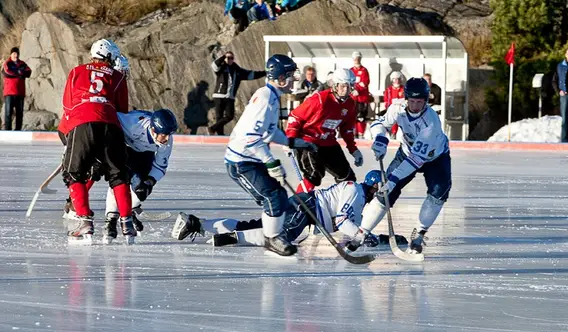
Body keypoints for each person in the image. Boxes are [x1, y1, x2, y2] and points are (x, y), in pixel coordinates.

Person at [214, 54, 316, 256]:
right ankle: (272, 239)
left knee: (280, 199)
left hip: (250, 158)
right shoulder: (266, 98)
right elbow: (252, 138)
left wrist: (292, 142)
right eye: (290, 75)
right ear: (280, 78)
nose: (294, 79)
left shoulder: (271, 96)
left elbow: (269, 131)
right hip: (241, 162)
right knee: (274, 198)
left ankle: (270, 234)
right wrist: (271, 163)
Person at [171, 171, 408, 249]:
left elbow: (341, 224)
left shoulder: (356, 194)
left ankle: (198, 223)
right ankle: (225, 240)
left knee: (256, 225)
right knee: (279, 239)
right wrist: (360, 236)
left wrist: (375, 238)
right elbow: (343, 220)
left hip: (304, 206)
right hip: (306, 208)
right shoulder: (356, 192)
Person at [347, 77, 451, 255]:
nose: (416, 106)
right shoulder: (398, 109)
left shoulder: (431, 122)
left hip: (435, 158)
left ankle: (419, 234)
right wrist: (380, 138)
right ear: (406, 99)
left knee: (439, 192)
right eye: (412, 101)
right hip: (406, 151)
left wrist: (394, 179)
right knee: (386, 192)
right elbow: (379, 123)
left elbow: (415, 160)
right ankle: (362, 232)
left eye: (420, 102)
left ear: (426, 101)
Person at [58, 39, 134, 244]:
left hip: (82, 121)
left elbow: (67, 105)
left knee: (74, 173)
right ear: (108, 56)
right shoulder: (117, 76)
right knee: (118, 175)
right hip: (110, 124)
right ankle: (127, 222)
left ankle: (84, 222)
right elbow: (122, 112)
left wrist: (69, 137)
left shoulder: (76, 71)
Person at [102, 109, 178, 243]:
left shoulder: (166, 141)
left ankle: (129, 209)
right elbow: (109, 116)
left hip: (144, 155)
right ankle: (111, 219)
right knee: (119, 181)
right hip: (123, 147)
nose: (167, 138)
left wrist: (149, 181)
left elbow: (160, 166)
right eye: (164, 134)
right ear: (153, 130)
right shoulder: (133, 124)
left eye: (169, 134)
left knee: (140, 191)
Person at [286, 68, 362, 193]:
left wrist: (353, 149)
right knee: (314, 175)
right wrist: (291, 140)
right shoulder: (320, 99)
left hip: (328, 143)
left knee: (347, 177)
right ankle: (299, 204)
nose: (346, 90)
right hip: (308, 141)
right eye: (343, 86)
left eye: (349, 86)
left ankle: (344, 205)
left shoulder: (350, 104)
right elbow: (295, 117)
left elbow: (347, 129)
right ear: (335, 85)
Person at [208, 51, 267, 135]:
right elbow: (214, 65)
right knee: (219, 117)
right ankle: (220, 134)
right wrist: (224, 56)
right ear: (224, 58)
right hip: (219, 96)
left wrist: (264, 73)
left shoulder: (237, 70)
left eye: (232, 58)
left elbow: (251, 75)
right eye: (228, 58)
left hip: (230, 97)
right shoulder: (221, 68)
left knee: (229, 116)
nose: (230, 60)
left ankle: (213, 128)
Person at [2, 47, 31, 130]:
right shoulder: (7, 63)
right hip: (9, 93)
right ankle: (8, 131)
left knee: (20, 113)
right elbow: (7, 72)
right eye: (14, 53)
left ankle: (18, 130)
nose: (16, 55)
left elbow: (28, 72)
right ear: (11, 54)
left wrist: (19, 72)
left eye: (17, 53)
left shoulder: (23, 64)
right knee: (8, 113)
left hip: (20, 93)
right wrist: (20, 73)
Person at [350, 51, 371, 138]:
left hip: (362, 98)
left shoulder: (364, 70)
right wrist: (353, 89)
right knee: (352, 116)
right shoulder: (350, 70)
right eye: (355, 58)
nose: (356, 60)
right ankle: (353, 133)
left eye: (358, 58)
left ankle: (361, 134)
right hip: (353, 98)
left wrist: (358, 88)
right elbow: (349, 82)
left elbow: (365, 83)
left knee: (361, 117)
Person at [383, 71, 404, 137]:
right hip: (391, 109)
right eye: (394, 79)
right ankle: (392, 133)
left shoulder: (403, 89)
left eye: (398, 79)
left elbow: (405, 100)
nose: (396, 81)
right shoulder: (389, 90)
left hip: (401, 110)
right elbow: (386, 100)